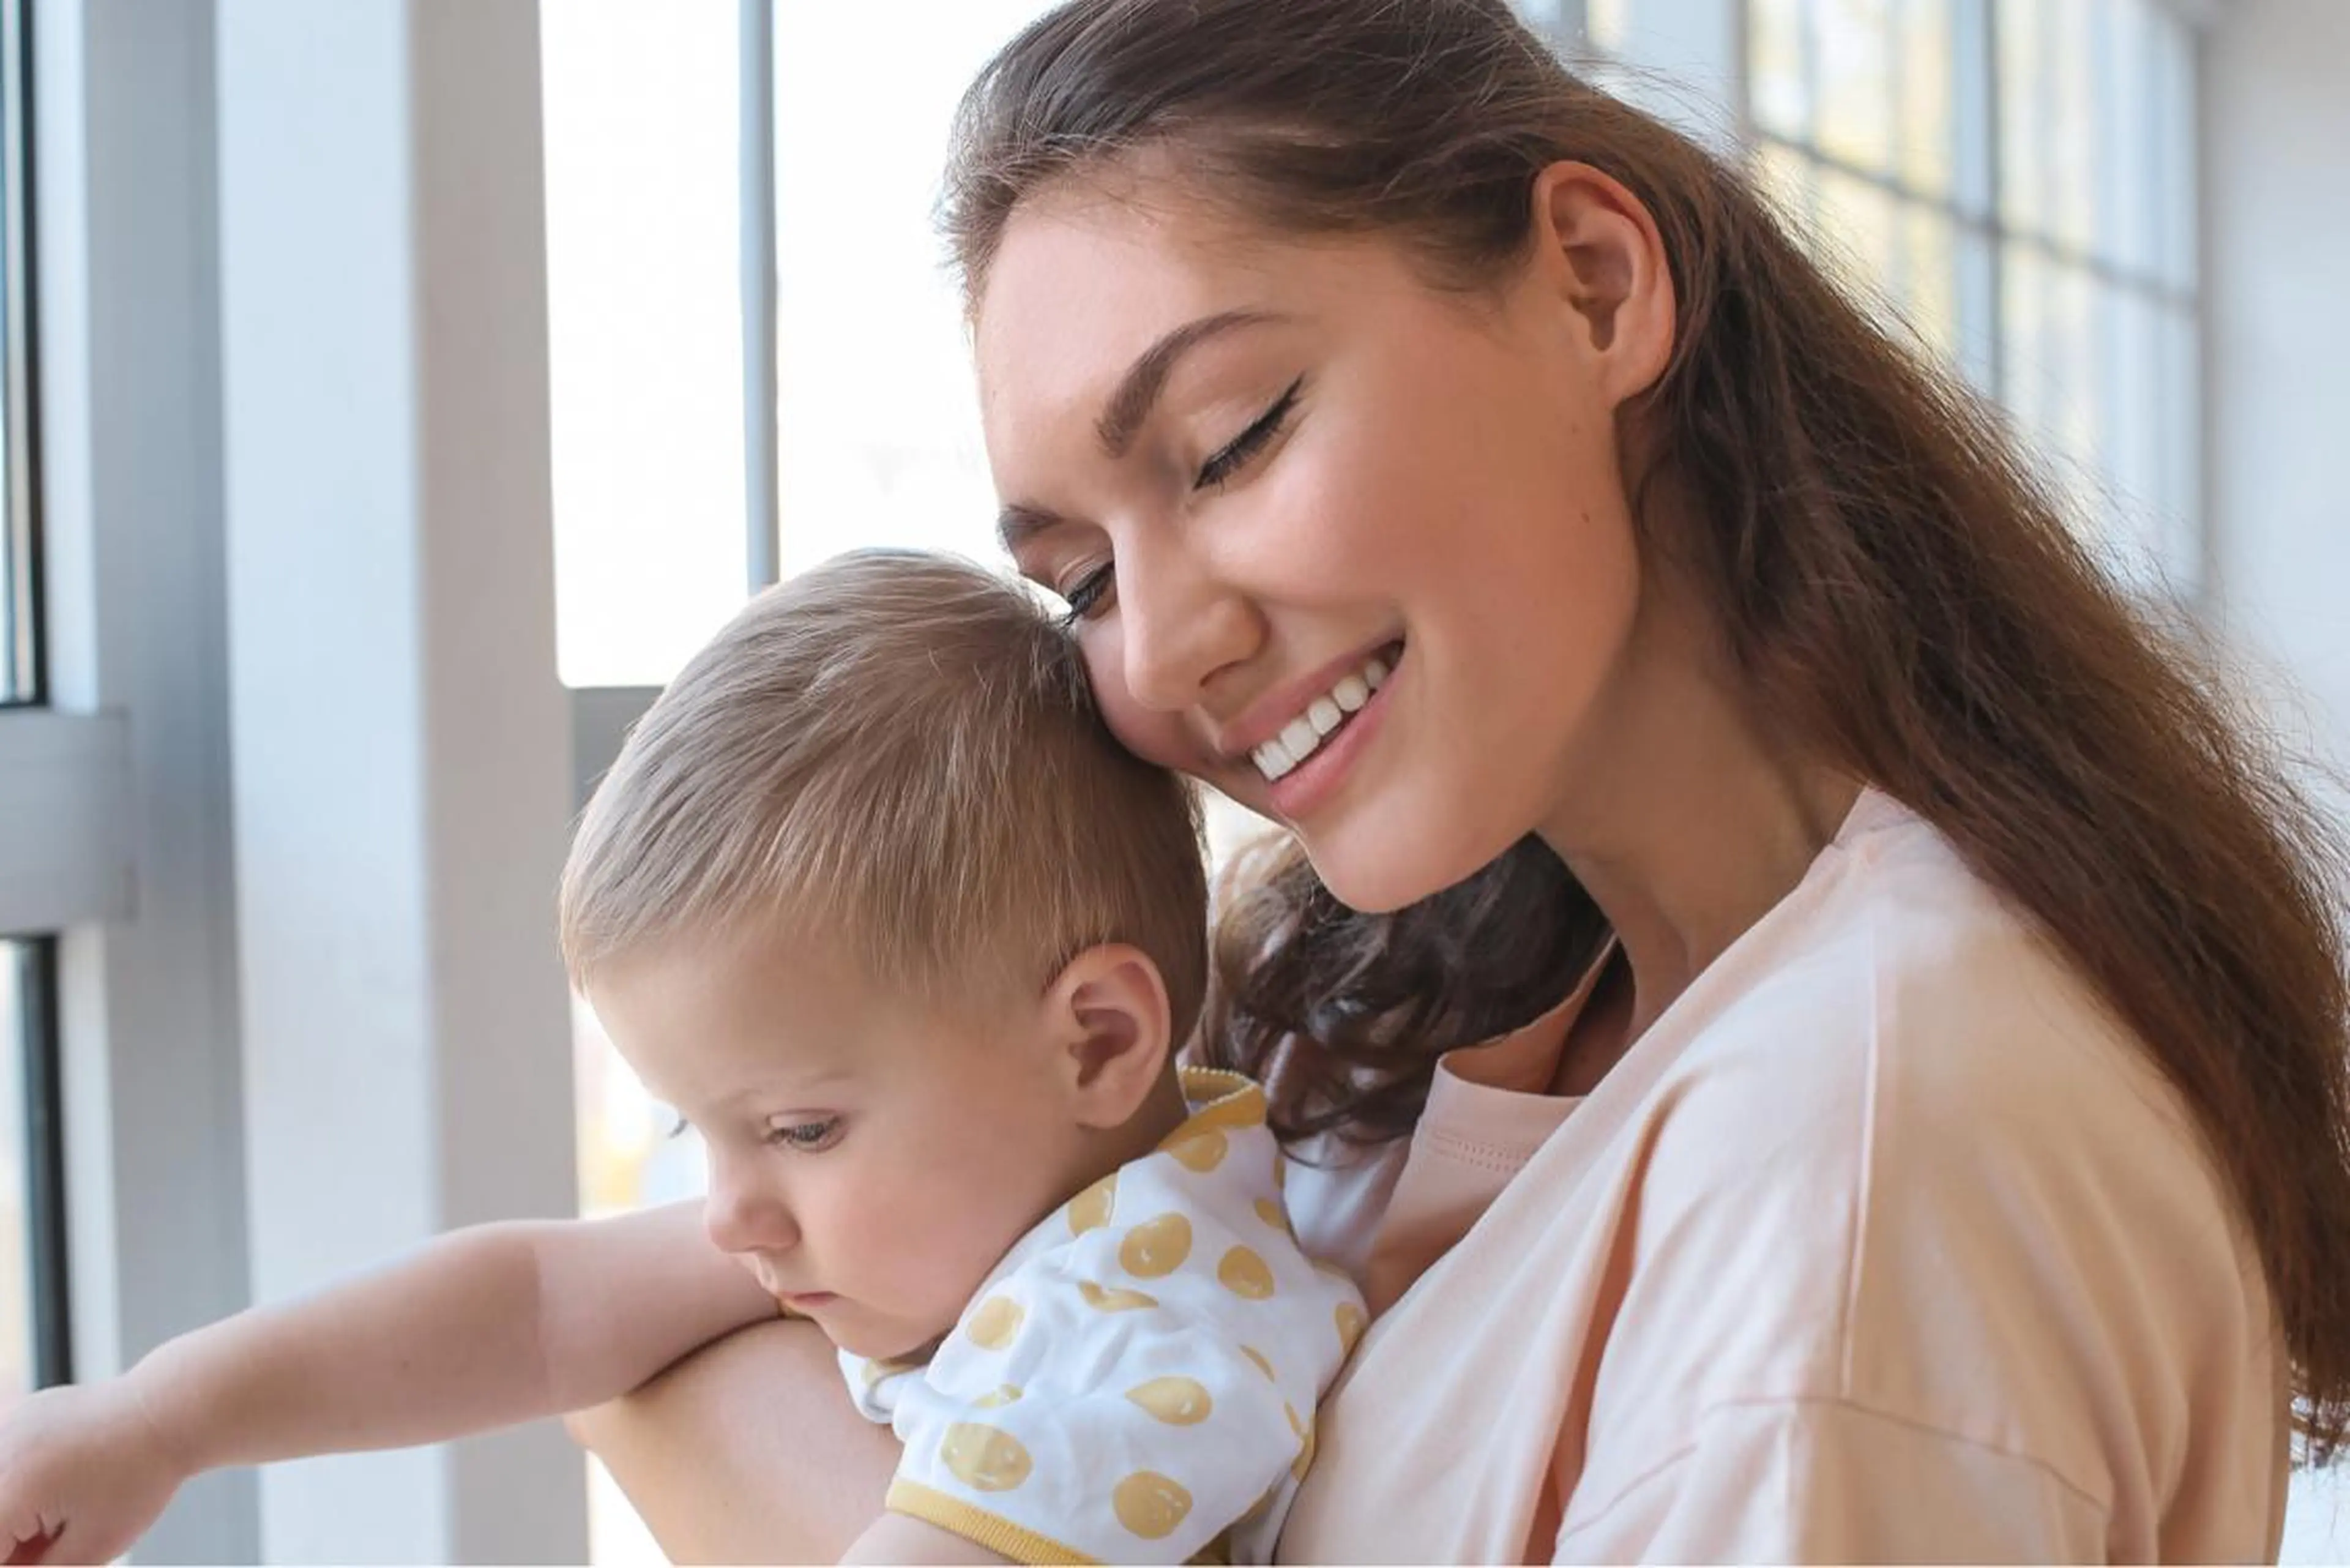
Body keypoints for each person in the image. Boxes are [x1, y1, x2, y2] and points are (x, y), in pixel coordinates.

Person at [567, 0, 2350, 1560]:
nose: (1167, 646)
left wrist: (698, 1418)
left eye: (1232, 440)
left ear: (1595, 282)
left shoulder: (1864, 1165)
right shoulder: (1448, 991)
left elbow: (655, 1343)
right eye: (1085, 581)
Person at [0, 550, 1362, 1567]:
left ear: (1100, 1042)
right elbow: (535, 1304)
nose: (729, 1212)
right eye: (696, 1131)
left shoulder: (1136, 1331)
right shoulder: (995, 1202)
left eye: (801, 1128)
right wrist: (154, 1422)